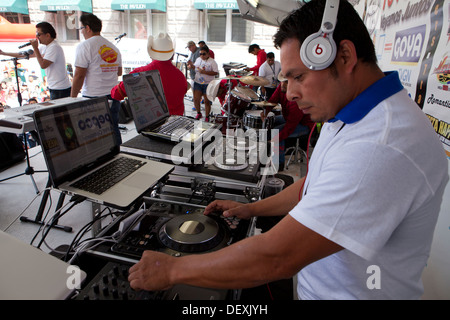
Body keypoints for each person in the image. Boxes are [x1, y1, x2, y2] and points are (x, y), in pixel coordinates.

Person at [127, 0, 448, 300]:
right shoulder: (353, 115)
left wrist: (170, 269)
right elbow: (310, 189)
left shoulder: (381, 145)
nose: (289, 93)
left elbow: (278, 258)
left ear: (345, 57)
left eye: (299, 77)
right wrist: (249, 209)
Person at [71, 13, 123, 144]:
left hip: (93, 97)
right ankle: (118, 155)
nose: (81, 32)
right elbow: (119, 72)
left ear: (87, 28)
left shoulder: (85, 46)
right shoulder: (113, 47)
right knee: (113, 127)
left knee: (94, 133)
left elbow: (79, 75)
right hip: (113, 95)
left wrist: (72, 98)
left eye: (81, 28)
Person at [111, 33, 187, 116]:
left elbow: (116, 94)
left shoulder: (140, 73)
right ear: (172, 55)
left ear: (151, 54)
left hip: (152, 126)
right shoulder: (181, 76)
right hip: (176, 123)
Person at [0, 22, 72, 100]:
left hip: (61, 89)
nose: (37, 37)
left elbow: (43, 65)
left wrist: (35, 48)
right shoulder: (44, 46)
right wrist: (4, 53)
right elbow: (24, 54)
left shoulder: (54, 47)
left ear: (48, 35)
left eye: (39, 34)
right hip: (54, 87)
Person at [264, 72, 315, 171]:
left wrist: (275, 139)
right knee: (271, 121)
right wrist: (265, 112)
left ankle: (279, 164)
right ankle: (271, 153)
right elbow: (272, 101)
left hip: (303, 124)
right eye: (282, 81)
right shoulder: (281, 87)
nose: (283, 84)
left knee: (277, 132)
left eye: (286, 82)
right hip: (288, 117)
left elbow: (289, 128)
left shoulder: (296, 101)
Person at [192, 46, 218, 121]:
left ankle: (207, 116)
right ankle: (198, 113)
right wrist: (191, 66)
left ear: (208, 54)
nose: (202, 56)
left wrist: (205, 72)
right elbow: (195, 67)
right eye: (200, 54)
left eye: (204, 54)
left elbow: (215, 72)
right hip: (198, 82)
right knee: (196, 99)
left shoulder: (212, 61)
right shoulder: (198, 59)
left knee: (207, 101)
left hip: (208, 83)